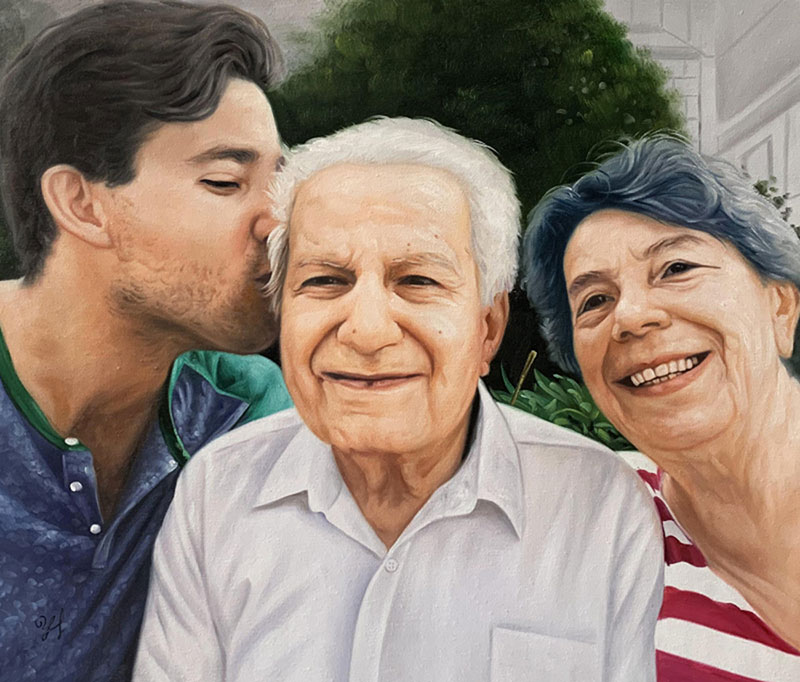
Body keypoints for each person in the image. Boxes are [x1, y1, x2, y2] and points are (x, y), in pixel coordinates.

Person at [134, 117, 663, 682]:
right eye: (326, 281)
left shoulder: (598, 509)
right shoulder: (218, 494)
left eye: (417, 281)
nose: (366, 331)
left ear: (487, 328)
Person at [0, 2, 292, 680]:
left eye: (280, 183)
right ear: (81, 203)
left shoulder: (242, 408)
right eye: (225, 182)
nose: (278, 221)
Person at [523, 134, 800, 681]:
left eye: (675, 268)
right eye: (595, 300)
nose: (630, 317)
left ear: (780, 306)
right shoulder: (594, 529)